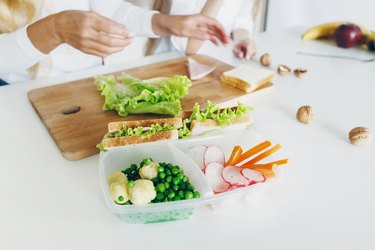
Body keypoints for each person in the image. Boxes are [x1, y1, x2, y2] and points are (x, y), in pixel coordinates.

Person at [0, 0, 230, 84]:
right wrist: (53, 30)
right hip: (18, 95)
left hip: (86, 82)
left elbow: (108, 7)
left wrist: (165, 23)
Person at [150, 0, 257, 60]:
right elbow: (189, 48)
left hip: (217, 64)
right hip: (174, 63)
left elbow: (242, 19)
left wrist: (243, 39)